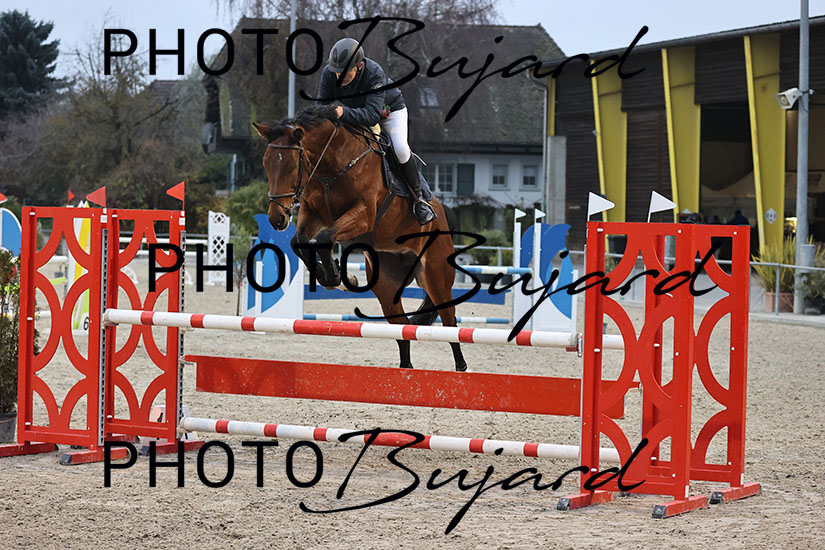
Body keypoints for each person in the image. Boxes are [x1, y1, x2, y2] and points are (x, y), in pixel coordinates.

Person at [316, 38, 437, 225]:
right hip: (355, 112)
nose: (339, 77)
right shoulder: (329, 73)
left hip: (388, 111)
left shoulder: (374, 73)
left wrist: (343, 112)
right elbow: (320, 107)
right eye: (337, 72)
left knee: (400, 148)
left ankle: (419, 200)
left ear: (359, 66)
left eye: (345, 72)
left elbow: (372, 115)